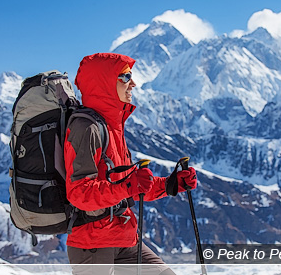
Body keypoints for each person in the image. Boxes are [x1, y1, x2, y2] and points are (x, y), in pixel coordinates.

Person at [64, 53, 198, 275]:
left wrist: (170, 184)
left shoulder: (113, 126)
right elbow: (79, 193)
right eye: (125, 77)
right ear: (105, 82)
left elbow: (130, 187)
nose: (133, 83)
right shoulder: (85, 128)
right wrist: (127, 186)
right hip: (94, 245)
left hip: (125, 238)